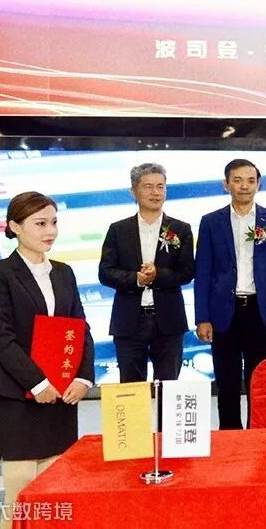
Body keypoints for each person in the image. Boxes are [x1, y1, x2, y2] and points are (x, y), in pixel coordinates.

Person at [0, 192, 94, 529]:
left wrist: (83, 378)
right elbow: (2, 339)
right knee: (19, 498)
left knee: (57, 497)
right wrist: (38, 383)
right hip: (21, 401)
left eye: (54, 222)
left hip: (61, 401)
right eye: (40, 224)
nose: (51, 231)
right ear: (15, 227)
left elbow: (80, 329)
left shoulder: (64, 272)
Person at [194, 159, 266, 430]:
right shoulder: (211, 222)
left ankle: (256, 435)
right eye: (237, 180)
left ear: (258, 184)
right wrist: (202, 317)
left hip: (260, 310)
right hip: (223, 311)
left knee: (259, 380)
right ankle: (229, 435)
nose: (244, 186)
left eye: (250, 181)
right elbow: (203, 273)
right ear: (226, 184)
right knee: (226, 380)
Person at [99, 163, 194, 383]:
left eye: (160, 186)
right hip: (129, 320)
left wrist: (157, 275)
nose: (155, 192)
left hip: (169, 320)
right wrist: (137, 279)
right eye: (148, 186)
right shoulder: (118, 229)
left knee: (168, 388)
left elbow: (187, 272)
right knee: (131, 389)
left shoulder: (181, 229)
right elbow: (105, 272)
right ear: (133, 191)